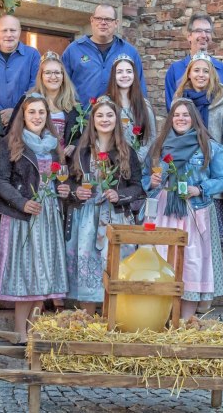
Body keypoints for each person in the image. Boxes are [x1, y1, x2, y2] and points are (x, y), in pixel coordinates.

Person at [142, 98, 223, 319]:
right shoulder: (158, 147)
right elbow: (145, 177)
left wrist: (199, 188)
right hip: (164, 210)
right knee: (162, 260)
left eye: (186, 115)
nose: (181, 119)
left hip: (194, 211)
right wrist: (151, 182)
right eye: (177, 115)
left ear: (194, 118)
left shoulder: (210, 147)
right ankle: (161, 319)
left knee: (191, 262)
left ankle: (185, 321)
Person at [0, 93, 69, 343]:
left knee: (42, 272)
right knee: (24, 272)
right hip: (21, 215)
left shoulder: (52, 144)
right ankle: (19, 332)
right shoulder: (10, 142)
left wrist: (62, 190)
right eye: (32, 112)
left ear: (47, 117)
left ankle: (35, 329)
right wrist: (22, 202)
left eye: (41, 112)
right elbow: (0, 180)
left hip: (48, 214)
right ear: (23, 116)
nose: (37, 117)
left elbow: (57, 180)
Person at [66, 95, 144, 314]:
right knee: (88, 269)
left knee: (115, 267)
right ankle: (88, 318)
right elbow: (69, 184)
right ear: (92, 120)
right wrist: (76, 192)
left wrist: (120, 195)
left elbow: (138, 188)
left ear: (116, 119)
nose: (104, 119)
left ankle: (114, 317)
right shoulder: (81, 151)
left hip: (115, 217)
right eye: (99, 115)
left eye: (109, 115)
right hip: (86, 219)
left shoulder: (126, 152)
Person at [175, 51, 223, 248]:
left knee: (213, 240)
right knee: (187, 239)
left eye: (205, 71)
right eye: (196, 70)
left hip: (212, 172)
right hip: (187, 173)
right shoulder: (179, 101)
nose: (201, 75)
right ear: (189, 73)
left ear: (212, 75)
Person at [62, 5, 147, 106]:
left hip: (120, 118)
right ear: (92, 20)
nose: (103, 23)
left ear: (116, 23)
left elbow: (139, 87)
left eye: (108, 19)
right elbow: (62, 86)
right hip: (81, 118)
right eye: (98, 18)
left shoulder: (130, 52)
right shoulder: (73, 50)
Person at [7, 51, 82, 157]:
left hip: (62, 162)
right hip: (31, 160)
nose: (53, 77)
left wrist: (75, 145)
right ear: (41, 76)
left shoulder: (74, 104)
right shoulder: (28, 100)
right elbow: (12, 131)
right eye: (48, 73)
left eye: (57, 72)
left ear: (63, 76)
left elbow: (82, 136)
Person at [0, 14, 40, 127]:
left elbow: (35, 87)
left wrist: (16, 111)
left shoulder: (32, 55)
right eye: (4, 30)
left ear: (19, 32)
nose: (9, 35)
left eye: (13, 30)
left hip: (23, 122)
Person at [164, 13, 223, 109]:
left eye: (207, 31)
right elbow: (171, 109)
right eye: (199, 31)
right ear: (189, 35)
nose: (204, 35)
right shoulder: (175, 70)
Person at [105, 54, 156, 164]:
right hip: (112, 162)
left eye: (128, 71)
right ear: (113, 75)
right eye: (119, 72)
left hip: (139, 164)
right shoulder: (105, 103)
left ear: (134, 75)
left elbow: (151, 135)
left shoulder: (144, 104)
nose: (124, 75)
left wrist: (138, 158)